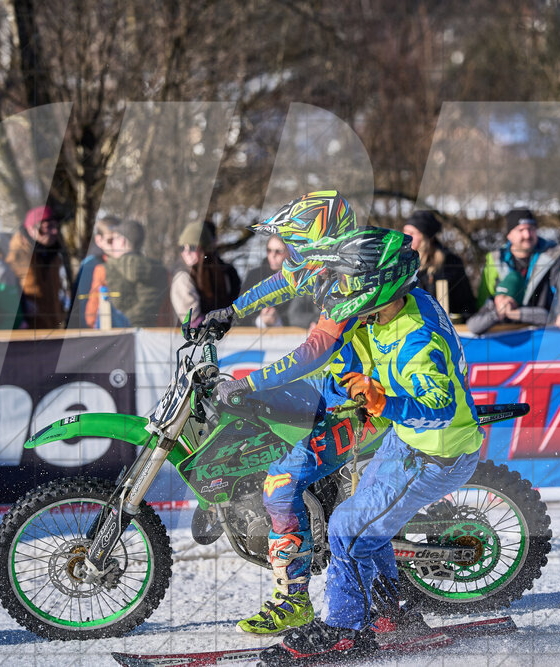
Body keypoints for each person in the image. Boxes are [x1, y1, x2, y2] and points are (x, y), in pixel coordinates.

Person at [217, 228, 482, 665]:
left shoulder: (417, 339)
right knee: (366, 525)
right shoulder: (388, 312)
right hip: (408, 443)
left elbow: (439, 407)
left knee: (345, 527)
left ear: (380, 284)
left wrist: (384, 401)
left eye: (353, 281)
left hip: (436, 455)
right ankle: (389, 616)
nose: (344, 290)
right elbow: (325, 346)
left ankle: (343, 629)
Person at [200, 190, 357, 332]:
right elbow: (274, 286)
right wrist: (232, 312)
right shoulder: (310, 275)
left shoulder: (352, 280)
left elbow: (311, 354)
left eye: (298, 246)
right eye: (293, 247)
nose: (273, 256)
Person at [469, 208, 560, 334]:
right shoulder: (496, 259)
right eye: (521, 230)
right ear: (509, 235)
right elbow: (484, 297)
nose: (527, 235)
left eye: (531, 229)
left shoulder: (554, 256)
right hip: (504, 331)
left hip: (543, 330)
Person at [86, 220, 170, 327]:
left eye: (114, 239)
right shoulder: (160, 270)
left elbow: (91, 317)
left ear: (122, 242)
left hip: (118, 339)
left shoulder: (103, 270)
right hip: (152, 338)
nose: (112, 244)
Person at [5, 206, 72, 329]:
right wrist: (23, 308)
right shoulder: (16, 256)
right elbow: (8, 295)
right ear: (32, 228)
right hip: (28, 332)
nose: (55, 231)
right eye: (49, 227)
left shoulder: (53, 254)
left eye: (56, 226)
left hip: (51, 328)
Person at [402, 209, 475, 317]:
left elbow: (465, 304)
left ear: (425, 237)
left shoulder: (449, 263)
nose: (406, 236)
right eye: (405, 231)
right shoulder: (401, 262)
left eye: (412, 233)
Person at [236, 234, 319, 329]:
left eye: (278, 251)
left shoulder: (304, 278)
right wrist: (260, 320)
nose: (273, 255)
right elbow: (239, 314)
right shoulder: (254, 276)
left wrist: (278, 321)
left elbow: (308, 312)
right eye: (269, 250)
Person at [170, 221, 241, 326]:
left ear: (205, 249)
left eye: (192, 247)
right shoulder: (183, 277)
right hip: (198, 338)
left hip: (228, 334)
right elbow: (192, 321)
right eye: (182, 248)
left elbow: (237, 306)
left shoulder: (226, 272)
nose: (187, 252)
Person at [68, 214, 120, 329]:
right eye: (110, 240)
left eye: (119, 239)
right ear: (99, 240)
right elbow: (83, 304)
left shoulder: (124, 261)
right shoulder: (89, 265)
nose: (116, 245)